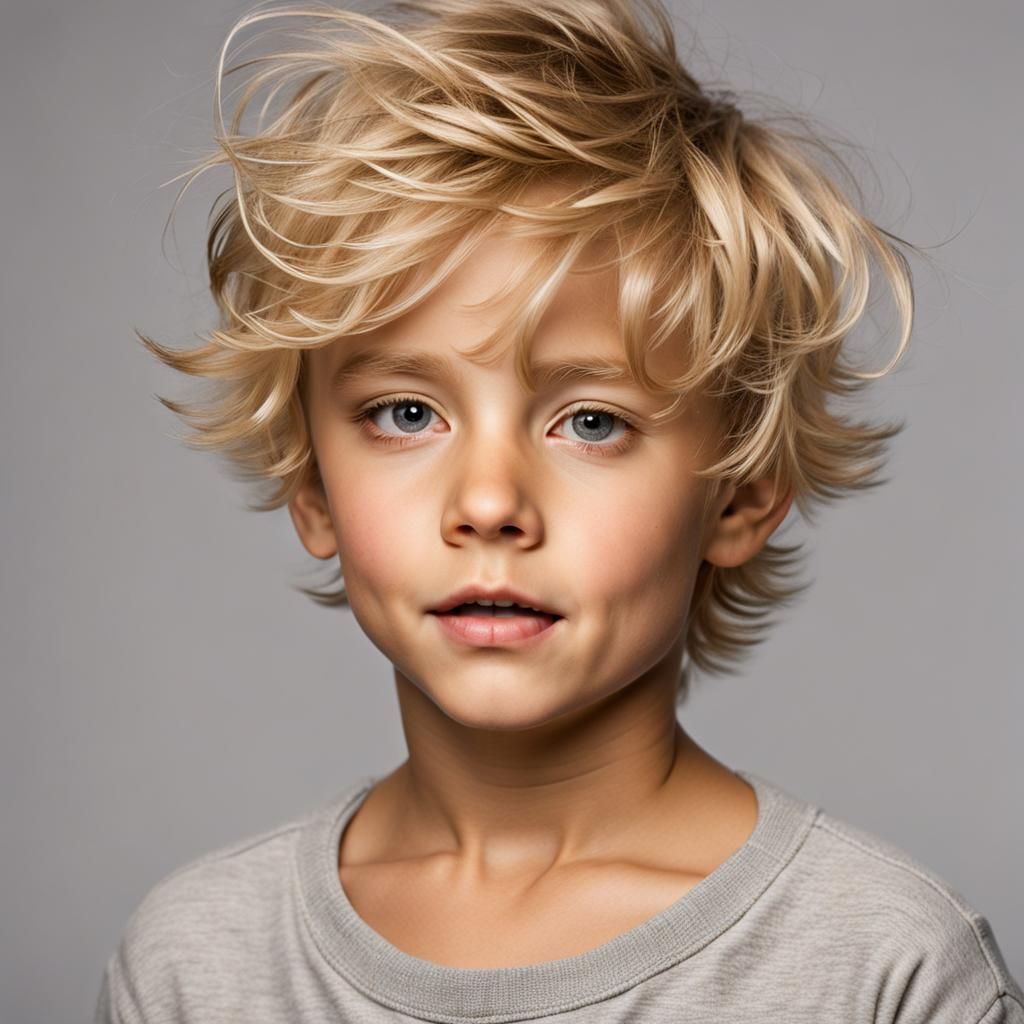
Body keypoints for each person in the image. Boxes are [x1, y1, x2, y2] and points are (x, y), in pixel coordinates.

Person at [94, 0, 1022, 1020]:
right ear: (311, 486)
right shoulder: (197, 963)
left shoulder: (877, 968)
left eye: (590, 422)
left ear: (743, 492)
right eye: (406, 413)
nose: (488, 504)